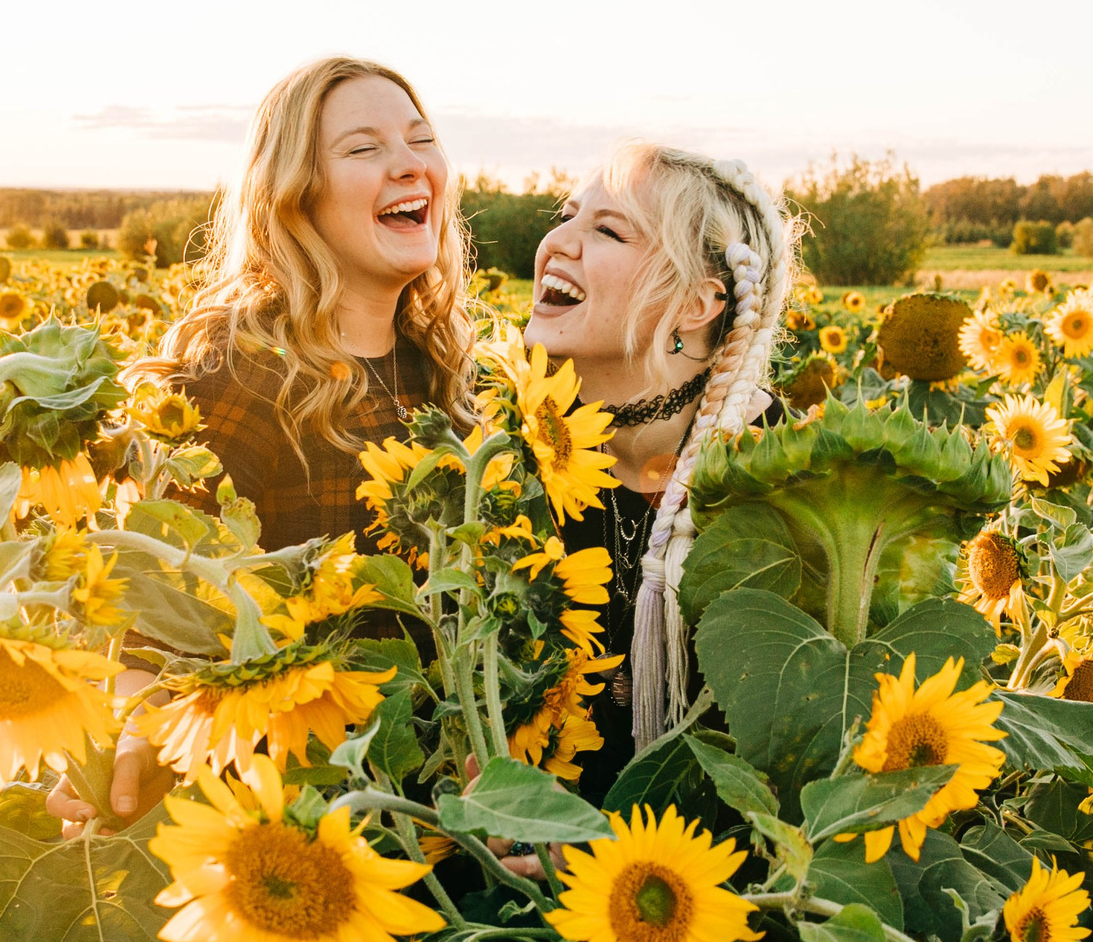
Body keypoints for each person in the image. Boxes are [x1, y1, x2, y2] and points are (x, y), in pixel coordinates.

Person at [50, 55, 477, 831]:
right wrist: (133, 732)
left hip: (428, 821)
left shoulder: (438, 366)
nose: (411, 164)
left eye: (420, 140)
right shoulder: (238, 375)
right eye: (364, 148)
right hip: (285, 815)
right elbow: (157, 606)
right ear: (292, 196)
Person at [524, 141, 795, 811]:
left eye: (606, 229)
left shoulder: (788, 482)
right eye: (565, 214)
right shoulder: (501, 458)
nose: (557, 240)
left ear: (697, 303)